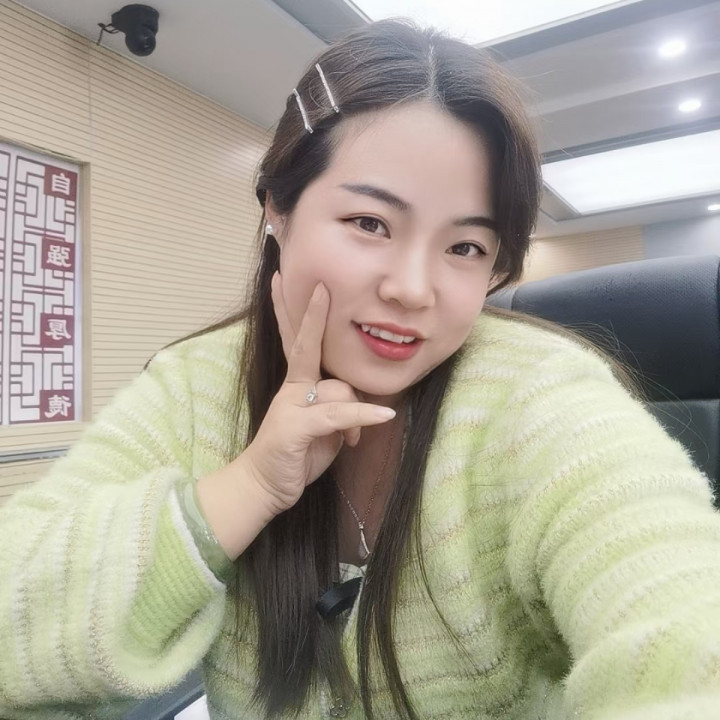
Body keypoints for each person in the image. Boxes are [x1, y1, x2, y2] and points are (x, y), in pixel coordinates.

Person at [1, 18, 719, 720]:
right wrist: (247, 487)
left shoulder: (540, 395)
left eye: (465, 247)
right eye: (369, 223)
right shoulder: (195, 386)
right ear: (278, 210)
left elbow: (681, 626)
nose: (412, 288)